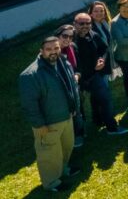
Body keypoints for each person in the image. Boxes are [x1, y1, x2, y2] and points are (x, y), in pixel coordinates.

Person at [19, 36, 82, 192]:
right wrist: (39, 125)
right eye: (49, 49)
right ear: (41, 51)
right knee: (49, 154)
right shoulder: (30, 75)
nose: (53, 52)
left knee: (66, 147)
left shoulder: (63, 62)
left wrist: (74, 108)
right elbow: (29, 104)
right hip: (48, 123)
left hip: (67, 116)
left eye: (56, 48)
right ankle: (51, 182)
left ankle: (63, 169)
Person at [73, 13, 126, 134]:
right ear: (74, 24)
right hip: (76, 79)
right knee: (77, 107)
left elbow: (104, 48)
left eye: (88, 23)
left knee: (105, 99)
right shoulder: (69, 38)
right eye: (81, 23)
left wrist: (101, 59)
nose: (85, 26)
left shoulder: (93, 34)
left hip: (93, 76)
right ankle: (79, 133)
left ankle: (112, 127)